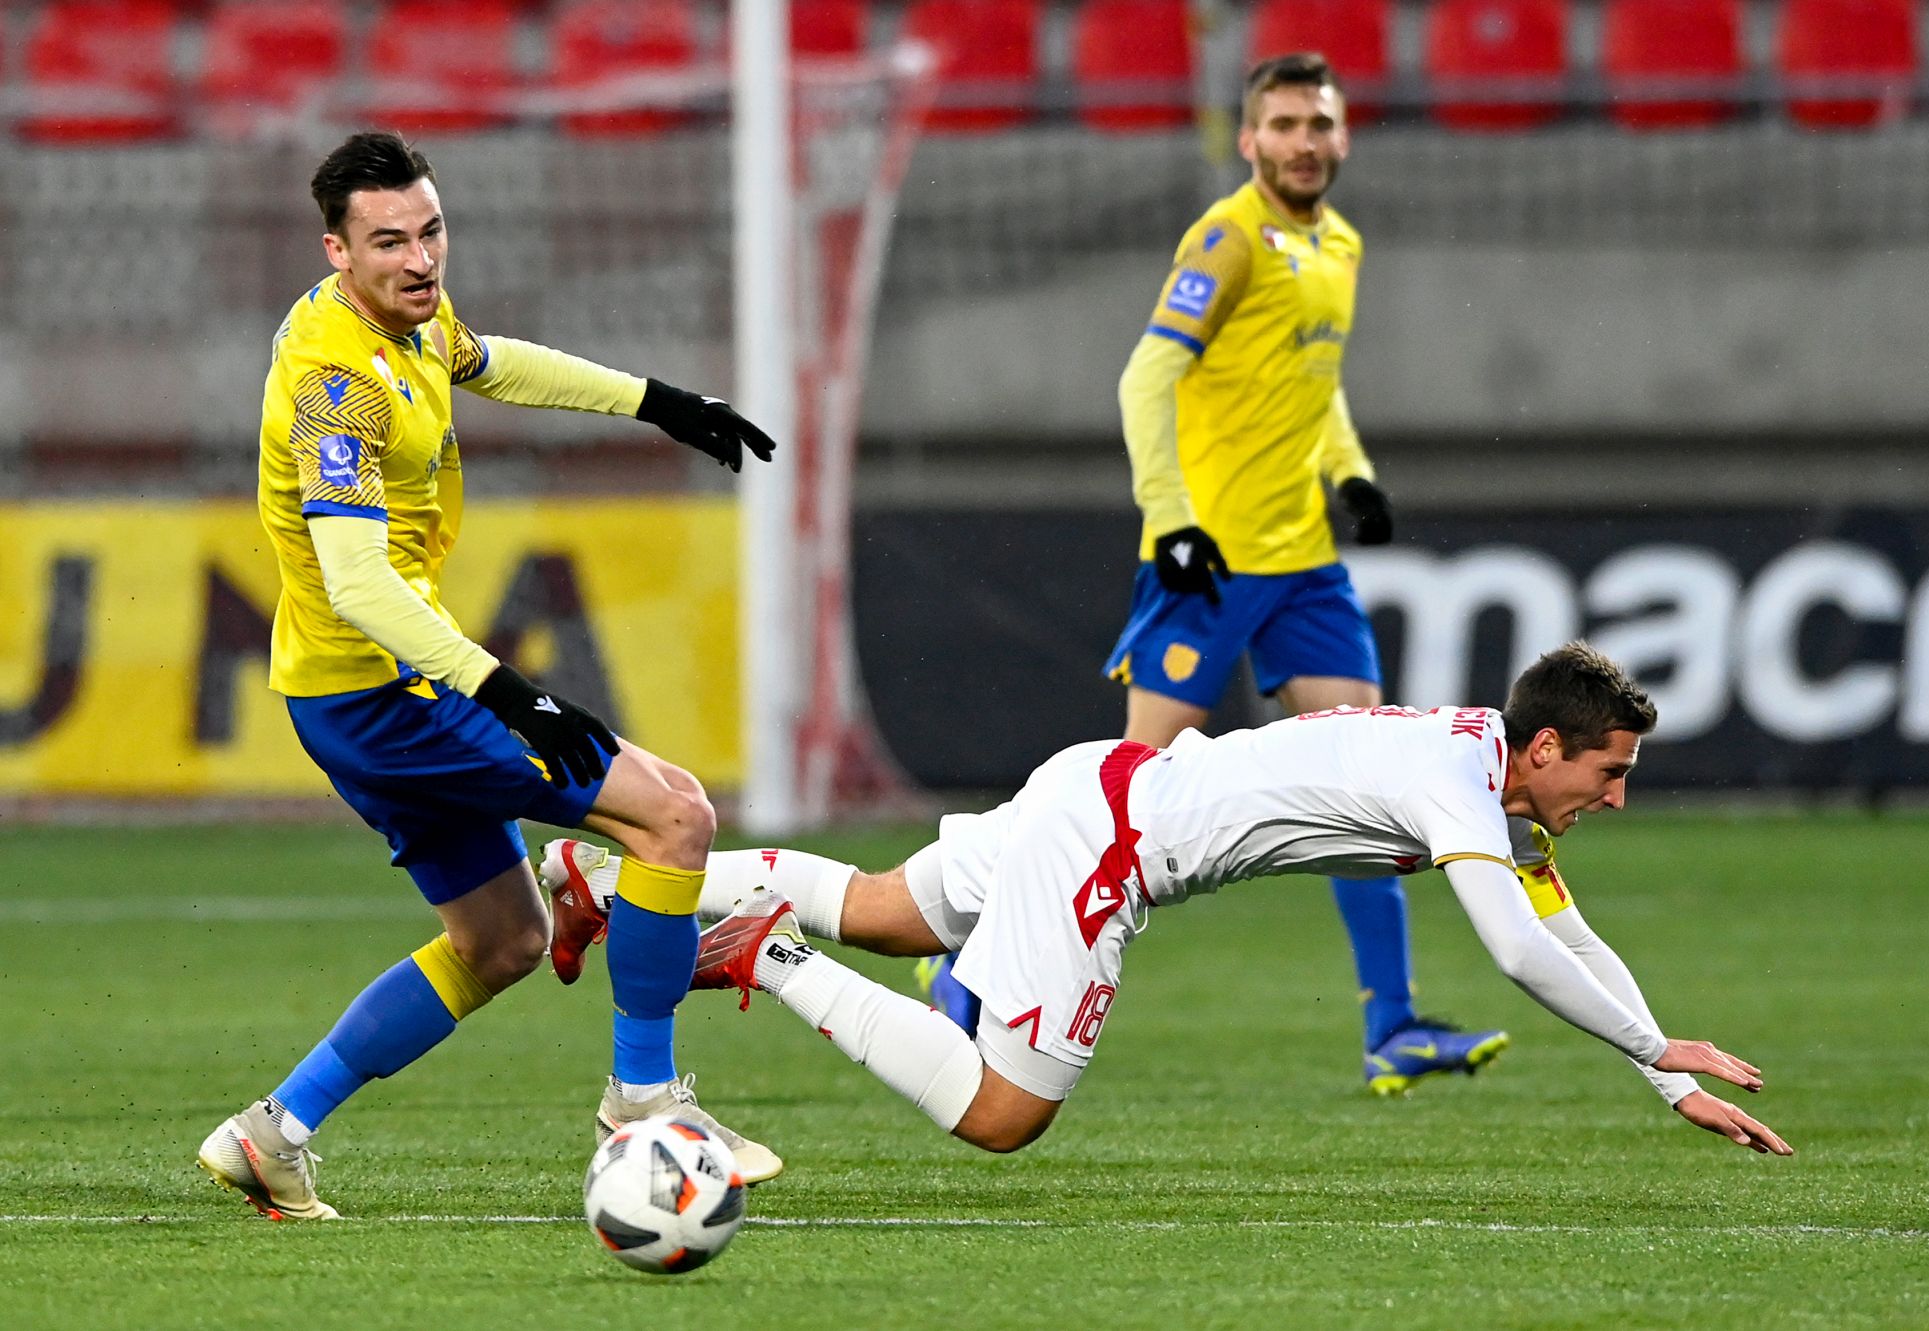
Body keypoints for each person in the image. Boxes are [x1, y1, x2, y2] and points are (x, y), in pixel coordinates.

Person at [543, 644, 1792, 1159]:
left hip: (1102, 779)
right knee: (1001, 1113)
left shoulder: (1490, 782)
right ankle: (760, 953)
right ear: (1544, 747)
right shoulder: (1456, 783)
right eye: (1609, 772)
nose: (1616, 796)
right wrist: (1648, 1045)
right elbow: (1515, 949)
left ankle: (602, 877)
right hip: (1111, 844)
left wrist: (1657, 1068)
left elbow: (1560, 926)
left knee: (878, 909)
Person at [196, 131, 781, 1221]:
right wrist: (509, 691)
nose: (420, 259)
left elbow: (491, 359)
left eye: (431, 231)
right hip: (388, 695)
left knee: (504, 940)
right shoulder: (336, 383)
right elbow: (358, 582)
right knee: (674, 817)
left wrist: (657, 401)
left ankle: (271, 1131)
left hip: (350, 693)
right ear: (336, 252)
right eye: (388, 242)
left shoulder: (404, 319)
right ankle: (645, 1107)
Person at [926, 51, 1505, 1096]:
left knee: (1373, 784)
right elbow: (1145, 375)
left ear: (1342, 136)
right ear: (1248, 140)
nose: (1302, 142)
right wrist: (1171, 519)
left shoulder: (1338, 243)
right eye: (1283, 124)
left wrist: (1350, 472)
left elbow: (1312, 384)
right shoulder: (1227, 237)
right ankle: (962, 958)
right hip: (1210, 559)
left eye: (1318, 124)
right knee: (1121, 793)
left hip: (1304, 565)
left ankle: (1392, 1024)